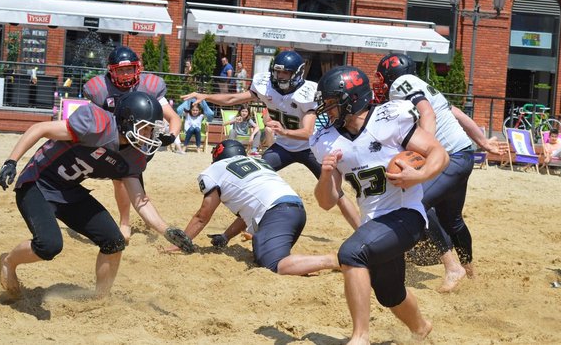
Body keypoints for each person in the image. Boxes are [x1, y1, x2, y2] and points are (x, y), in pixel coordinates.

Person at [0, 92, 195, 299]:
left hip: (68, 191)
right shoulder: (96, 124)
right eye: (146, 127)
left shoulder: (134, 157)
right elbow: (41, 128)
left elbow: (140, 200)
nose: (150, 134)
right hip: (37, 183)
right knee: (49, 245)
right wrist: (11, 162)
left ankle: (101, 298)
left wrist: (167, 231)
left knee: (114, 242)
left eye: (152, 129)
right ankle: (9, 261)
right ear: (128, 121)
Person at [311, 66, 449, 343]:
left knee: (351, 253)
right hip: (374, 222)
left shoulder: (390, 118)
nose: (327, 109)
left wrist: (419, 175)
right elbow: (326, 202)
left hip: (406, 214)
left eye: (330, 102)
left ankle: (360, 337)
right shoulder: (325, 140)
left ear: (352, 98)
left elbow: (438, 153)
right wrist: (326, 175)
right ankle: (421, 329)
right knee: (390, 293)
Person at [181, 50, 360, 229]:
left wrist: (283, 132)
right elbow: (234, 98)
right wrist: (206, 96)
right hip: (282, 147)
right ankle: (230, 234)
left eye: (286, 73)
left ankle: (360, 228)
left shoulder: (307, 93)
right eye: (278, 71)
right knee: (254, 183)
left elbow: (308, 132)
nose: (280, 76)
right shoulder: (265, 84)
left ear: (297, 73)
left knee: (337, 194)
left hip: (310, 148)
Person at [374, 52, 501, 291]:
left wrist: (425, 152)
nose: (380, 84)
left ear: (392, 75)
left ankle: (453, 267)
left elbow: (428, 114)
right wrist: (482, 142)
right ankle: (470, 273)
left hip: (448, 158)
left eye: (382, 78)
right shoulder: (426, 86)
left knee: (416, 203)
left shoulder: (403, 83)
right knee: (452, 220)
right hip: (463, 154)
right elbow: (457, 113)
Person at [167, 140, 339, 275]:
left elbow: (202, 216)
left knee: (273, 264)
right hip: (295, 210)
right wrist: (226, 236)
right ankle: (301, 262)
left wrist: (181, 243)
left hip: (276, 214)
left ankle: (331, 260)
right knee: (260, 252)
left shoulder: (215, 169)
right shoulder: (256, 162)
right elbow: (249, 209)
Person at [83, 46, 181, 242]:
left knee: (129, 177)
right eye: (120, 70)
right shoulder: (100, 90)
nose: (126, 74)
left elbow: (174, 118)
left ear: (138, 69)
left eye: (129, 69)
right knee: (122, 178)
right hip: (116, 140)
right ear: (111, 71)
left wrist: (171, 136)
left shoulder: (149, 86)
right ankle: (126, 222)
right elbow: (92, 118)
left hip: (143, 141)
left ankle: (136, 217)